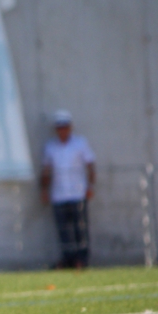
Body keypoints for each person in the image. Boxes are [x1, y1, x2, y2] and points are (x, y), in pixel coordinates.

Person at [39, 110, 96, 269]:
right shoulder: (50, 147)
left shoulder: (80, 143)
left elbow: (90, 165)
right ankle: (68, 259)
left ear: (70, 127)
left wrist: (90, 186)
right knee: (64, 231)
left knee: (81, 228)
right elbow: (46, 170)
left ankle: (82, 260)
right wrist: (44, 190)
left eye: (65, 127)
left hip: (78, 192)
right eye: (59, 127)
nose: (62, 130)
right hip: (59, 194)